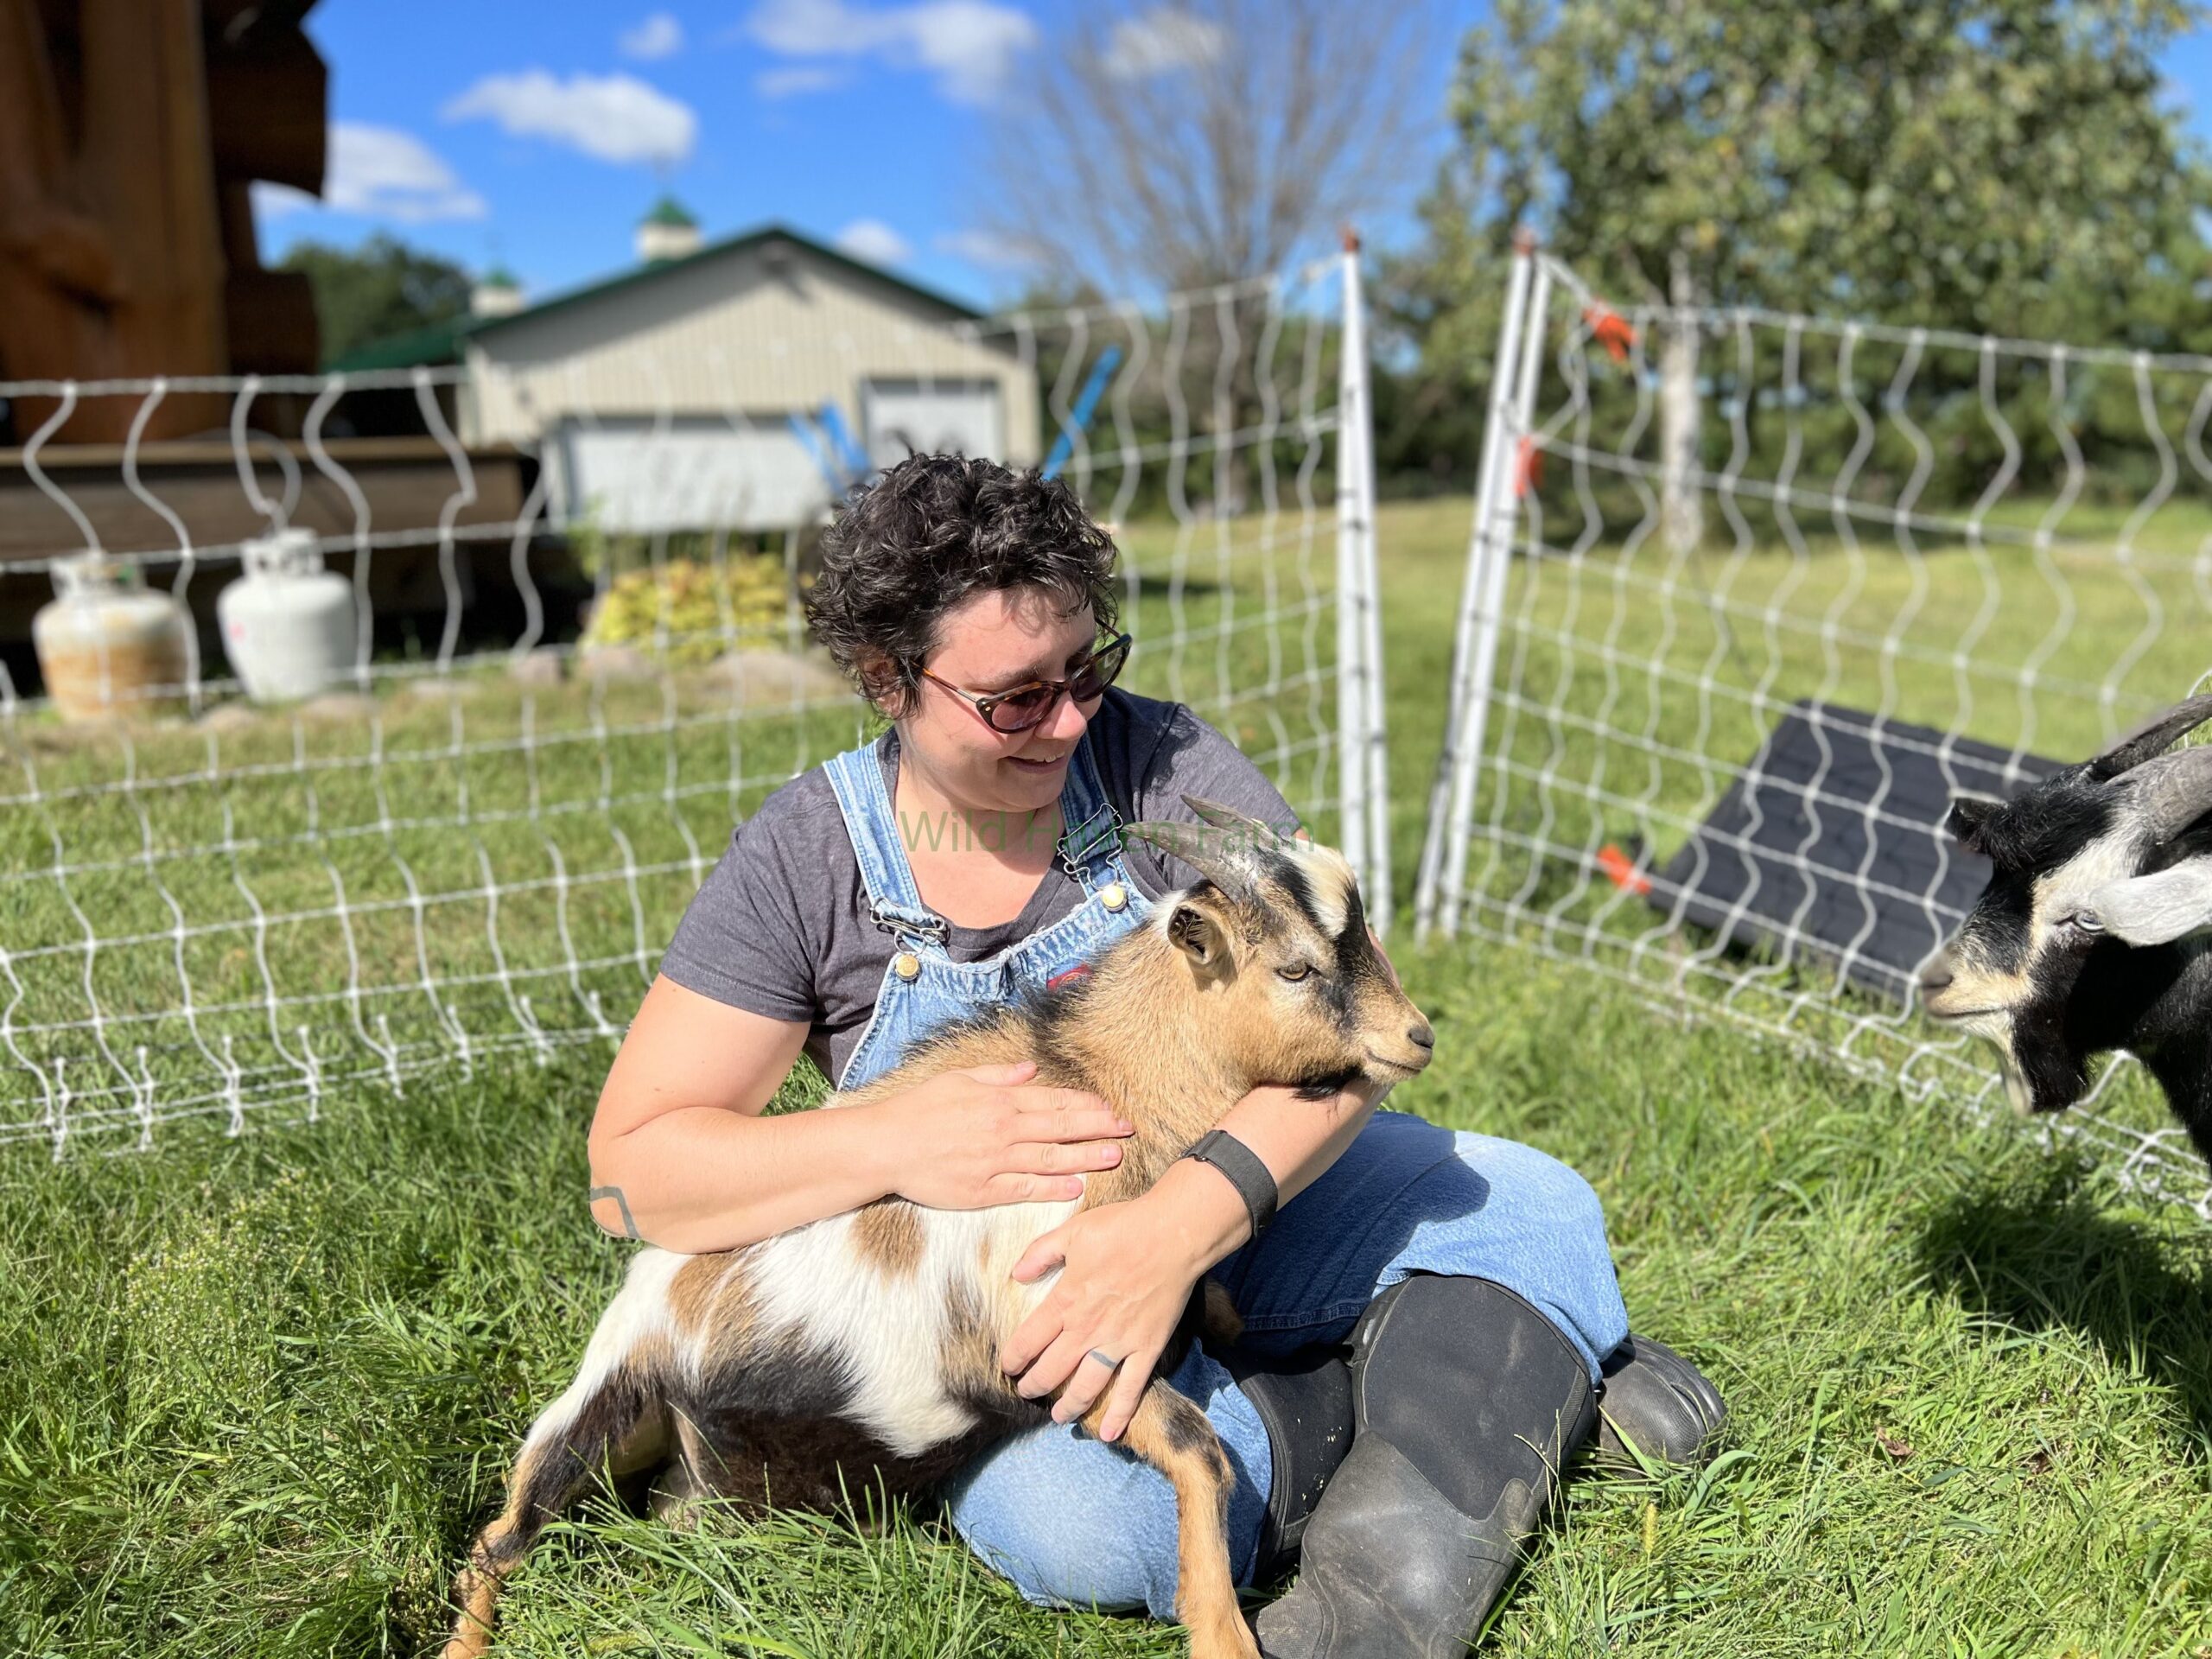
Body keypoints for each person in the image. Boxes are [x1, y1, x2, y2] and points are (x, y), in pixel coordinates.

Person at [585, 454, 1724, 1656]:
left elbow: (1357, 1026)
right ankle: (1476, 1376)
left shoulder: (1161, 763)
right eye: (1016, 699)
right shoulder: (807, 858)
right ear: (887, 680)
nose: (1073, 720)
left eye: (1089, 667)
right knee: (1100, 1532)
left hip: (1244, 1205)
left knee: (1540, 1207)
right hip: (1021, 1329)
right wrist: (893, 1134)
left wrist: (1177, 1230)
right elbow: (632, 1173)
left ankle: (1410, 1492)